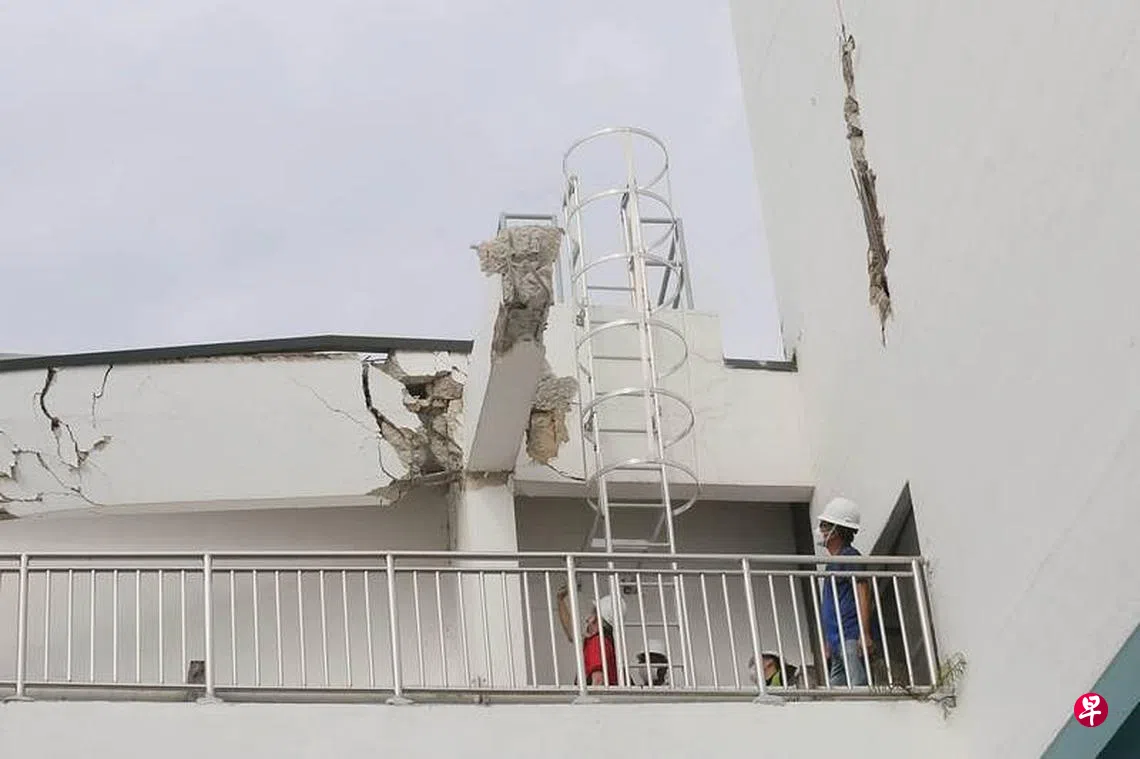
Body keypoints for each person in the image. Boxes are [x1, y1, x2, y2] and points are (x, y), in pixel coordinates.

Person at [817, 496, 878, 687]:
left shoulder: (850, 556)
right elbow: (831, 603)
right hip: (837, 639)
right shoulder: (833, 562)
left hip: (850, 635)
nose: (820, 531)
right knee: (838, 689)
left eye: (824, 526)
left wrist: (864, 633)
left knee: (857, 683)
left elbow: (863, 591)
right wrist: (828, 641)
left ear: (836, 531)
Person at [556, 586, 626, 685]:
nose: (587, 619)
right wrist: (560, 600)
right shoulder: (604, 641)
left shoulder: (597, 643)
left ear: (597, 618)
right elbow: (572, 633)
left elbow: (598, 680)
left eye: (592, 612)